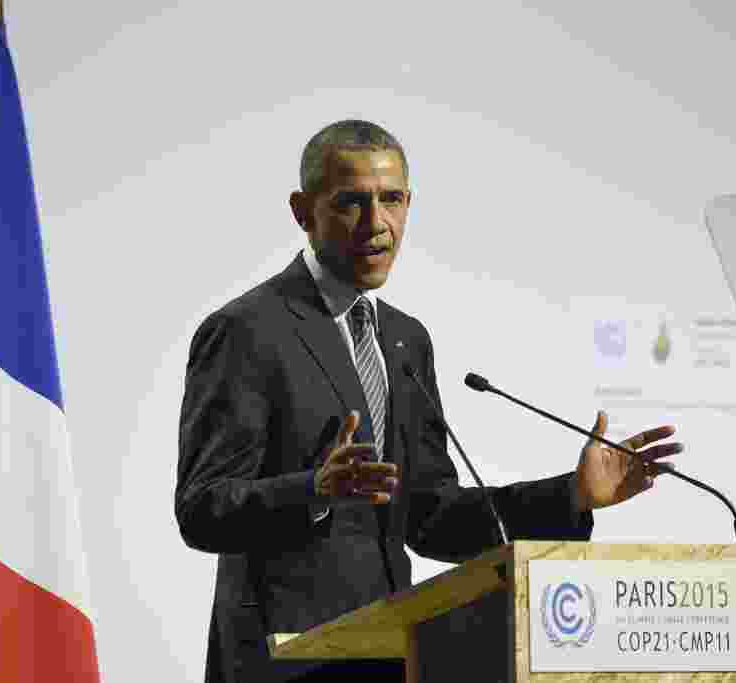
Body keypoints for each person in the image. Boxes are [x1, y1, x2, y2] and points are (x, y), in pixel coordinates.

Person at [175, 120, 681, 683]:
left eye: (391, 200)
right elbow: (201, 509)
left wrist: (572, 495)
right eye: (351, 203)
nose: (377, 224)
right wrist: (312, 491)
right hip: (282, 661)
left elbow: (430, 517)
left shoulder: (404, 339)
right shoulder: (247, 330)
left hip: (397, 658)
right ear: (302, 210)